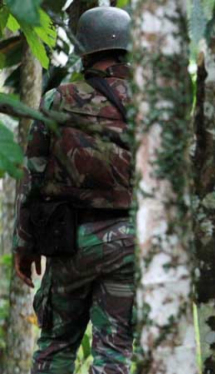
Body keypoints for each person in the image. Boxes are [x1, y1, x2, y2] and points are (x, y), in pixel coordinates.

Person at [13, 7, 135, 374]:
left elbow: (32, 175)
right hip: (129, 239)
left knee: (55, 346)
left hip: (69, 241)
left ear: (84, 49)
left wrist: (25, 244)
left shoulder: (57, 99)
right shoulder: (152, 102)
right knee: (114, 352)